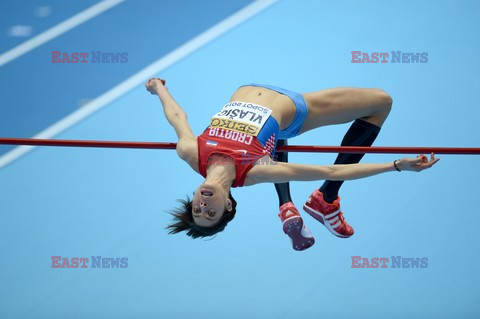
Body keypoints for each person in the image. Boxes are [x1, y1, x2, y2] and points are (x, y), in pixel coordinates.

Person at [145, 78, 438, 250]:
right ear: (228, 206)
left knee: (272, 141)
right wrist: (397, 165)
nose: (203, 206)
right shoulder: (256, 171)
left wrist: (159, 89)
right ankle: (325, 198)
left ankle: (291, 204)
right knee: (381, 102)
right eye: (209, 214)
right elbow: (332, 170)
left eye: (197, 208)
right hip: (294, 109)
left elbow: (177, 118)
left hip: (251, 90)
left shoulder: (190, 153)